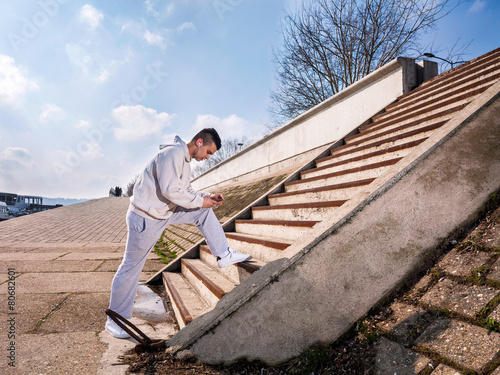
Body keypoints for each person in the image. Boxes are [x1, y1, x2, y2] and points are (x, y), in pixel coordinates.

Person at [105, 128, 252, 339]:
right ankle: (115, 319)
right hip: (146, 219)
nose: (207, 158)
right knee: (130, 268)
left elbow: (185, 191)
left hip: (163, 213)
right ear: (199, 142)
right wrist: (201, 201)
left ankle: (223, 253)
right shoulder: (172, 154)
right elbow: (170, 191)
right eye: (209, 152)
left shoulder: (184, 162)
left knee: (203, 210)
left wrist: (206, 197)